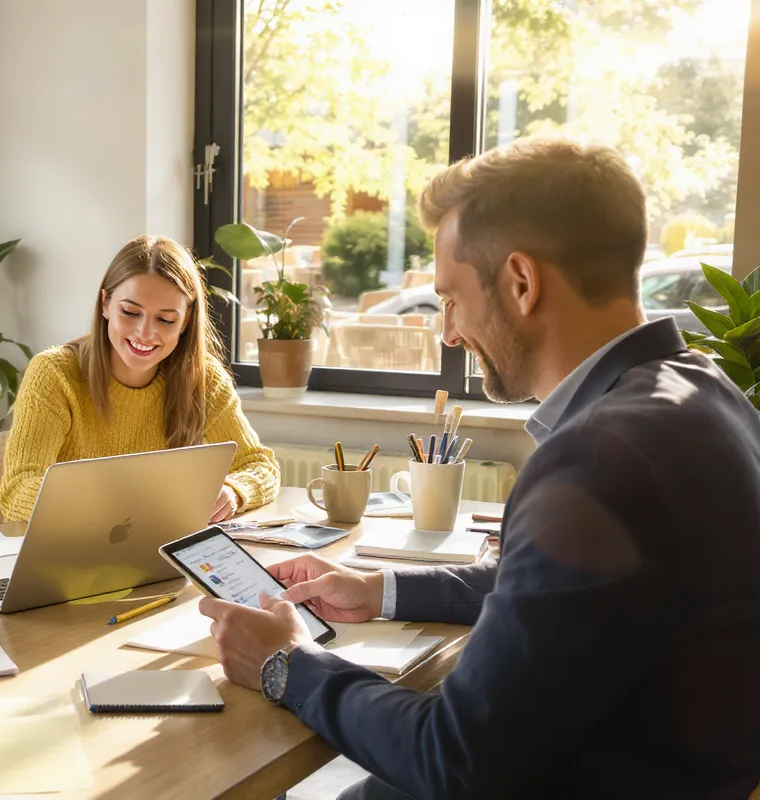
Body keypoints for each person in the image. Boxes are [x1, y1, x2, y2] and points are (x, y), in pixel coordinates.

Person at [201, 137, 760, 799]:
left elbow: (456, 761)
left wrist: (285, 664)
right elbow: (558, 588)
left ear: (522, 283)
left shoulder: (599, 459)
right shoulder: (703, 392)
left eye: (452, 299)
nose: (449, 333)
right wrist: (380, 589)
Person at [0, 234, 279, 523]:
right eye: (130, 312)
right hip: (72, 547)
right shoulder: (55, 374)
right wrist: (105, 508)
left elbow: (259, 465)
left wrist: (233, 492)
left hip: (161, 552)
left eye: (166, 320)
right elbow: (18, 489)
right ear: (105, 304)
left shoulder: (203, 379)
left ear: (185, 321)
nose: (145, 333)